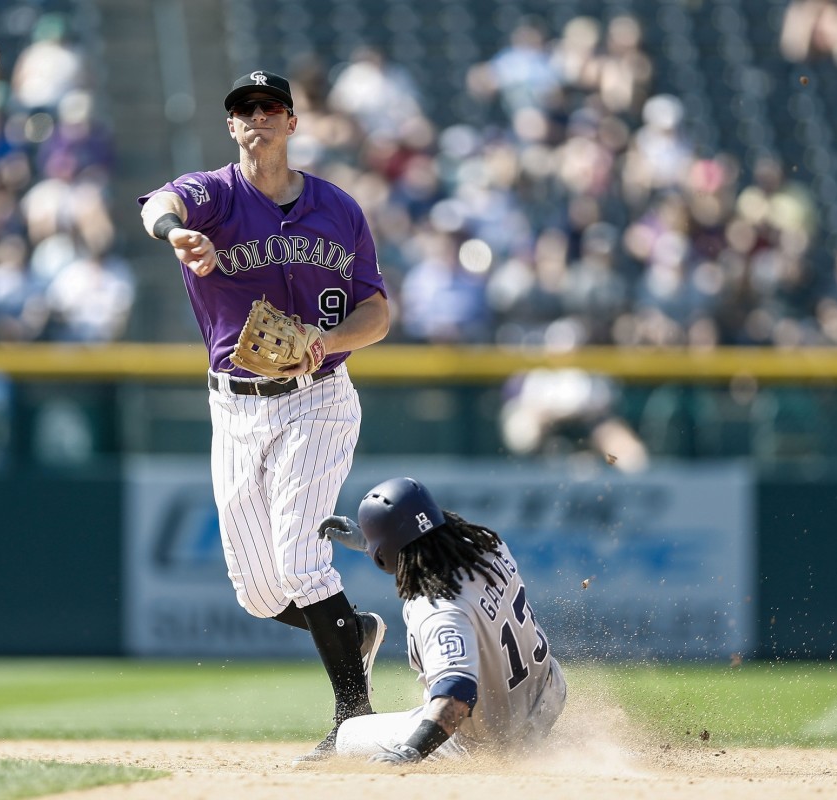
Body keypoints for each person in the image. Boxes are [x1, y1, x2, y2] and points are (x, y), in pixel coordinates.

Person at [138, 70, 392, 763]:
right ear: (232, 126)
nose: (256, 117)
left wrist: (325, 342)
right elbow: (159, 202)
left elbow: (377, 312)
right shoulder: (213, 196)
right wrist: (173, 234)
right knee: (257, 592)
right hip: (234, 406)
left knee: (302, 559)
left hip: (318, 399)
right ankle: (354, 628)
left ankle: (353, 721)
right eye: (243, 109)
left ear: (291, 122)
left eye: (269, 107)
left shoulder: (338, 208)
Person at [317, 477, 567, 764]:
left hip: (495, 739)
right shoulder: (485, 546)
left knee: (348, 735)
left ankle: (522, 748)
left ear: (384, 555)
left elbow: (456, 695)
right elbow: (419, 542)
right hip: (549, 692)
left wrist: (410, 752)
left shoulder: (436, 608)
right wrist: (370, 541)